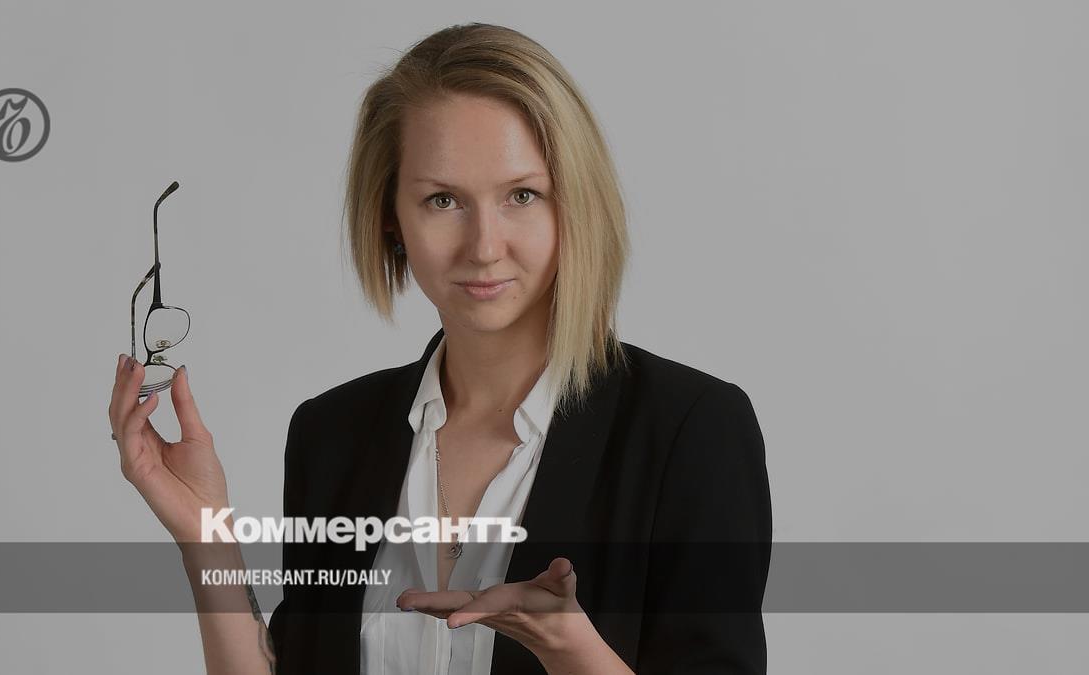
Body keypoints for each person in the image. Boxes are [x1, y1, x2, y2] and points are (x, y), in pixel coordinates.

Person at [108, 22, 771, 675]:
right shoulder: (332, 433)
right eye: (443, 199)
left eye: (522, 195)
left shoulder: (690, 432)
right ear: (390, 217)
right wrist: (207, 539)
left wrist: (573, 652)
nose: (484, 246)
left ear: (575, 204)